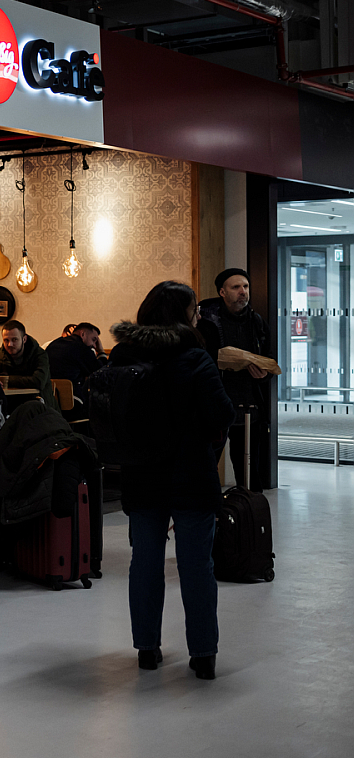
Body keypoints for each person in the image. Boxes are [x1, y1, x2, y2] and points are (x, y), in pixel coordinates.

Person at [107, 281, 234, 679]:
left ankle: (147, 649)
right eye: (195, 309)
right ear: (184, 315)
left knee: (144, 563)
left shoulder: (121, 357)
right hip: (190, 476)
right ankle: (203, 657)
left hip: (142, 477)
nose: (199, 315)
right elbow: (222, 414)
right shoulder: (194, 357)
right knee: (196, 566)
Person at [197, 268, 273, 491]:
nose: (243, 292)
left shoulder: (257, 322)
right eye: (236, 287)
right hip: (215, 404)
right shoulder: (206, 323)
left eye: (246, 287)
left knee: (249, 473)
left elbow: (268, 357)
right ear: (222, 292)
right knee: (206, 467)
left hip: (248, 405)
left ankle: (248, 517)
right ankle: (209, 515)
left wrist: (264, 373)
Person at [0, 319, 59, 411]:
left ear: (24, 339)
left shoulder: (39, 355)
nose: (10, 344)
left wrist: (7, 380)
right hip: (10, 407)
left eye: (14, 339)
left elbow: (38, 381)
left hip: (40, 406)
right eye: (6, 340)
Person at [46, 321, 105, 412]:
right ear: (82, 334)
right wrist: (101, 351)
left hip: (50, 400)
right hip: (72, 403)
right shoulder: (82, 348)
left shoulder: (53, 344)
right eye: (93, 340)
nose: (94, 345)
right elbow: (101, 372)